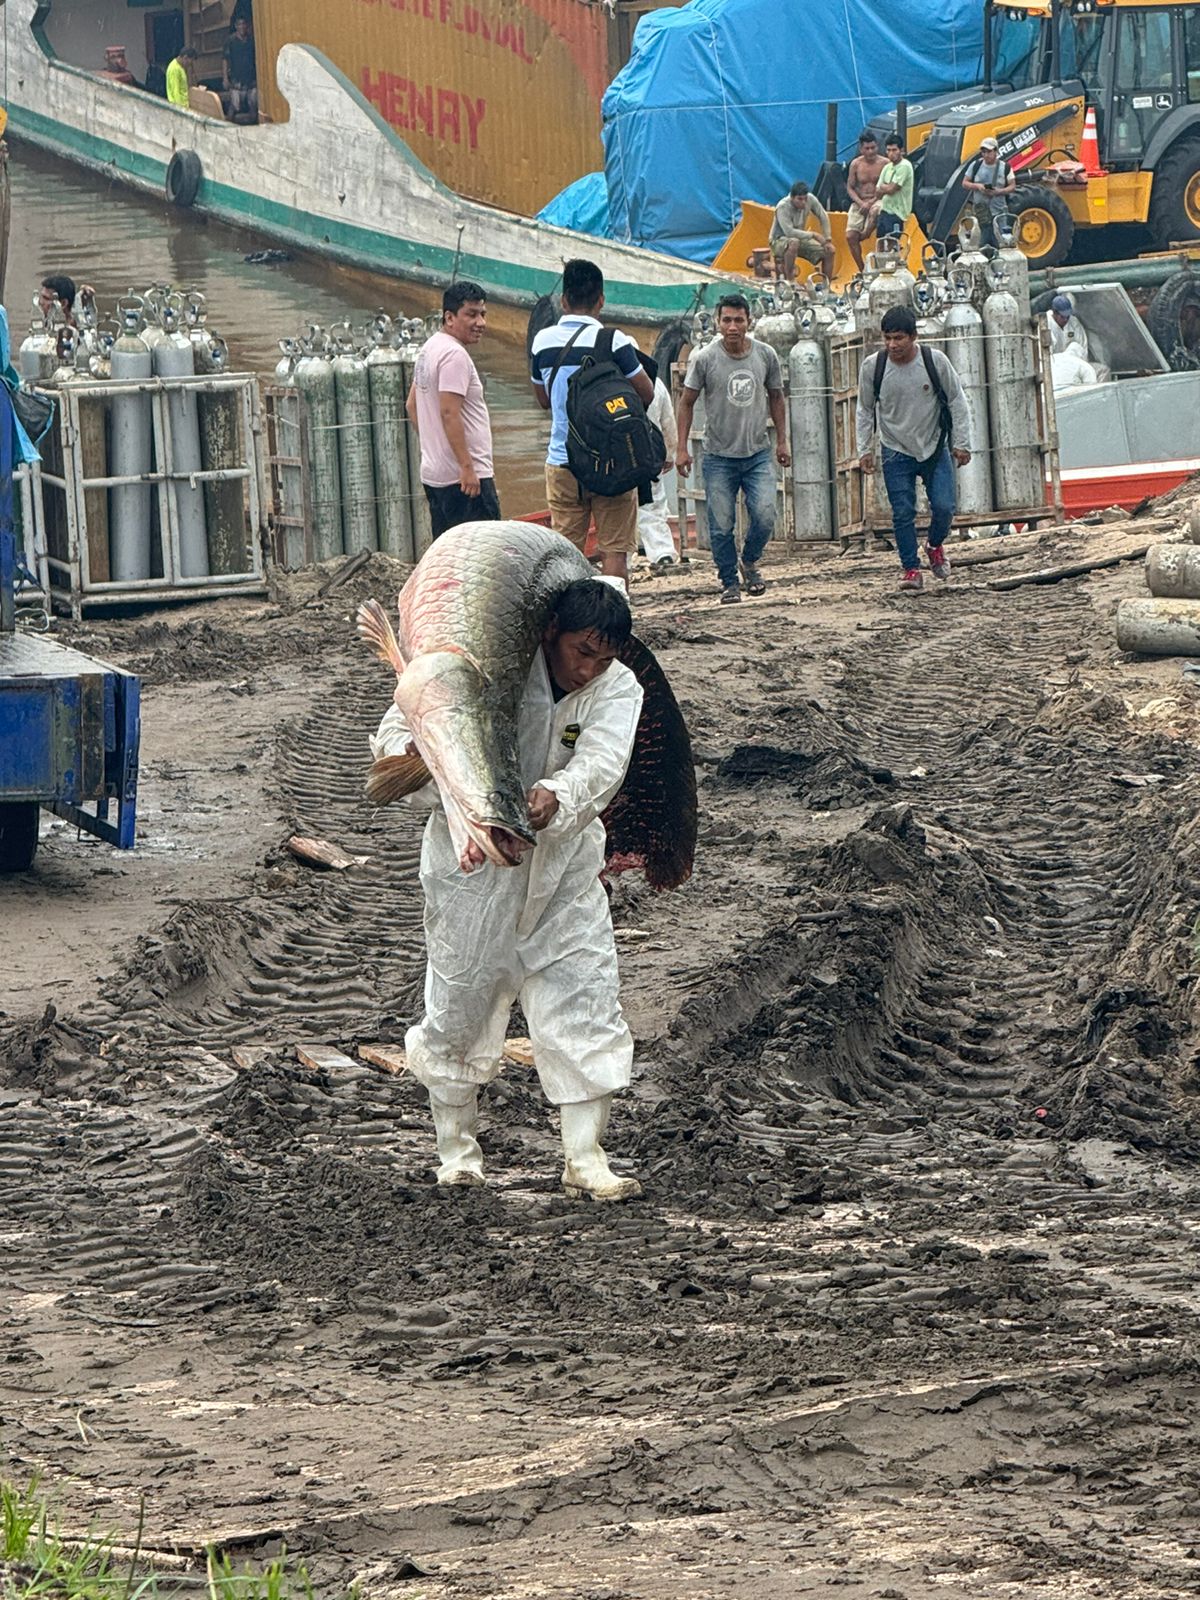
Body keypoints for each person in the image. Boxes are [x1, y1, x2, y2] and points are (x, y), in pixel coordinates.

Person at [370, 577, 645, 1201]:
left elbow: (602, 763)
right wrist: (428, 754)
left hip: (565, 876)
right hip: (471, 876)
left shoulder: (616, 687)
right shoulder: (481, 669)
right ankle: (457, 1153)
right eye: (582, 652)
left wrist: (561, 796)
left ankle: (585, 1156)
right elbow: (395, 734)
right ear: (550, 633)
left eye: (604, 658)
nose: (590, 669)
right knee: (459, 1007)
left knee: (585, 999)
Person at [530, 258, 655, 587]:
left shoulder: (542, 342)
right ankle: (613, 628)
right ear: (601, 299)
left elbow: (542, 400)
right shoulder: (615, 341)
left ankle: (571, 628)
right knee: (614, 552)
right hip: (613, 463)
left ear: (563, 300)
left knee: (566, 555)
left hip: (563, 461)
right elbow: (647, 393)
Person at [675, 293, 789, 604]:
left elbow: (777, 397)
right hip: (717, 456)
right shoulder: (705, 358)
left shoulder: (765, 356)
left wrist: (782, 440)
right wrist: (681, 448)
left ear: (749, 321)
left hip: (757, 453)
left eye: (739, 320)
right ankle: (729, 581)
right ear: (717, 322)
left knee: (766, 514)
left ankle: (749, 561)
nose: (733, 326)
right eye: (727, 320)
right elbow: (686, 403)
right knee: (721, 523)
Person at [857, 305, 972, 593]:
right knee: (902, 512)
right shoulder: (874, 366)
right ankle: (910, 569)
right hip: (895, 448)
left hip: (933, 446)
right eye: (888, 339)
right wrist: (864, 449)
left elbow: (957, 401)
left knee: (945, 506)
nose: (893, 345)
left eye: (899, 338)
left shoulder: (935, 361)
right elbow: (865, 409)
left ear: (913, 337)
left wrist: (961, 443)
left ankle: (934, 545)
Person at [407, 280, 501, 536]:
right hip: (465, 480)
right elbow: (450, 412)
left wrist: (434, 446)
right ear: (449, 317)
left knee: (448, 556)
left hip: (436, 474)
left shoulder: (430, 349)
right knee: (483, 555)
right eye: (471, 314)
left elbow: (412, 405)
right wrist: (466, 467)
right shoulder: (454, 356)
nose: (481, 322)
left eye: (483, 314)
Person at [637, 361, 679, 567]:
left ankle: (624, 557)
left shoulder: (607, 381)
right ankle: (662, 553)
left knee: (618, 510)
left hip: (617, 461)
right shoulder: (656, 383)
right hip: (650, 455)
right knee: (654, 504)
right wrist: (670, 454)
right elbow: (667, 422)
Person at [768, 181, 835, 281]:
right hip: (779, 240)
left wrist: (827, 239)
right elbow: (789, 232)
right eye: (799, 199)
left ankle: (826, 285)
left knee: (830, 251)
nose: (803, 202)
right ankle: (790, 281)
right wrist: (813, 235)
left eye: (805, 199)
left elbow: (823, 216)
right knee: (793, 242)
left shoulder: (810, 199)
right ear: (792, 197)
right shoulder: (783, 206)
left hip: (800, 238)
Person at [961, 135, 1015, 245]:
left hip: (999, 212)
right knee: (981, 243)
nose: (986, 155)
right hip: (981, 212)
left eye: (989, 152)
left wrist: (999, 191)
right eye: (983, 152)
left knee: (1001, 243)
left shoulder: (1005, 167)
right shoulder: (976, 165)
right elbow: (965, 183)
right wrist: (978, 186)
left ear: (996, 151)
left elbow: (1012, 186)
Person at [845, 131, 886, 272]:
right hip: (860, 201)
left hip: (877, 200)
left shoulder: (884, 163)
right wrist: (860, 202)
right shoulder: (856, 164)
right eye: (867, 148)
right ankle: (862, 269)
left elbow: (886, 188)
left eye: (873, 148)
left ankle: (866, 233)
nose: (870, 151)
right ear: (862, 149)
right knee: (850, 236)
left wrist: (871, 202)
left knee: (875, 211)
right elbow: (850, 187)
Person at [876, 134, 914, 242]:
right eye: (888, 150)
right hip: (885, 210)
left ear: (901, 150)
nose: (891, 153)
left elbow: (891, 189)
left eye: (894, 150)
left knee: (892, 245)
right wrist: (886, 187)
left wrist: (884, 187)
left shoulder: (905, 166)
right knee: (880, 243)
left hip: (897, 214)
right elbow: (877, 193)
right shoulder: (887, 168)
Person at [222, 15, 258, 121]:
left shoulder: (251, 40)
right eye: (239, 24)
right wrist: (225, 78)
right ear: (236, 26)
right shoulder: (230, 41)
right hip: (236, 78)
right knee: (234, 105)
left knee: (253, 104)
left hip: (250, 78)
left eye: (244, 24)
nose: (242, 26)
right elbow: (225, 59)